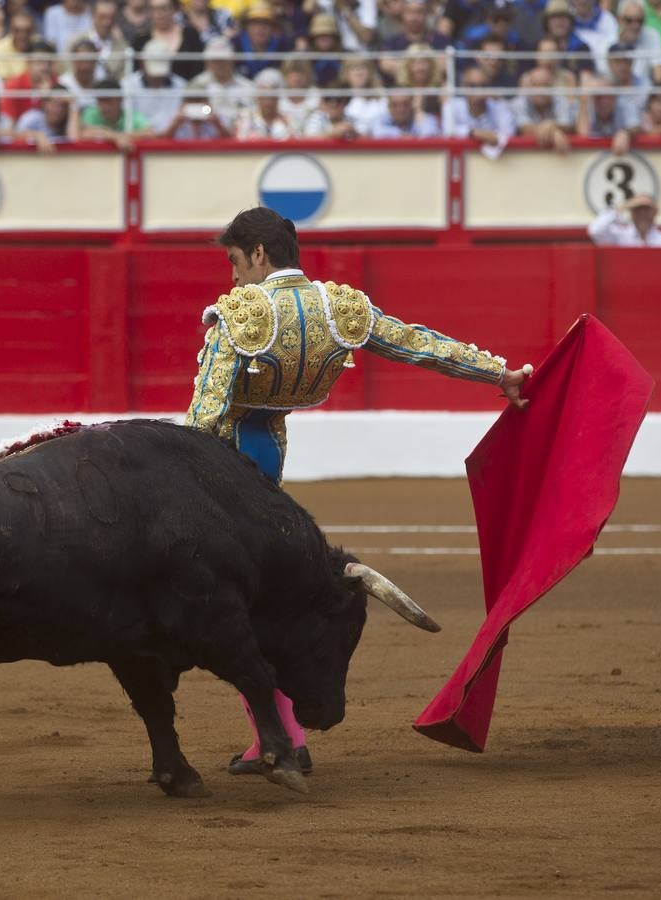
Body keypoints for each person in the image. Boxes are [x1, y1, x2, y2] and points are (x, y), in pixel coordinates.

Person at [185, 206, 531, 779]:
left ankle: (285, 739)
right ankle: (275, 737)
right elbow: (419, 345)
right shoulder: (339, 307)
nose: (233, 277)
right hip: (269, 462)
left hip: (222, 471)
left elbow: (204, 421)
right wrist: (499, 374)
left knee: (229, 604)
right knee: (255, 596)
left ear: (260, 255)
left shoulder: (241, 314)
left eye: (234, 262)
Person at [187, 35, 252, 129]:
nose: (219, 64)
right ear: (207, 61)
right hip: (207, 137)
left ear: (232, 60)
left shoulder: (248, 87)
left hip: (239, 137)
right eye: (215, 60)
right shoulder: (196, 85)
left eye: (223, 60)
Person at [79, 76, 149, 147]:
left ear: (120, 99)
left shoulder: (132, 115)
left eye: (108, 100)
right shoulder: (90, 113)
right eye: (100, 100)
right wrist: (117, 137)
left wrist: (109, 135)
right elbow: (85, 133)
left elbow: (149, 133)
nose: (104, 106)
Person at [587, 193, 661, 246]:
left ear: (655, 212)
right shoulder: (619, 237)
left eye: (646, 210)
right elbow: (595, 231)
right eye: (637, 210)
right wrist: (622, 207)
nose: (642, 214)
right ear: (631, 213)